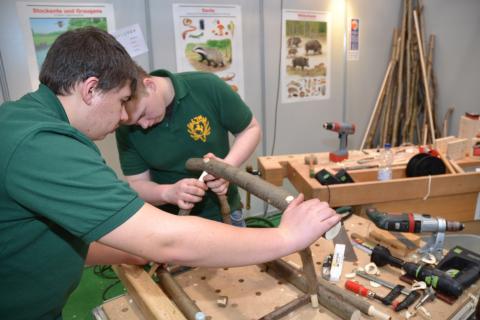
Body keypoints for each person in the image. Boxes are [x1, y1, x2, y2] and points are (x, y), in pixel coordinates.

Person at [0, 27, 340, 319]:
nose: (123, 117)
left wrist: (132, 249)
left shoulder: (28, 121)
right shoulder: (43, 145)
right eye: (121, 101)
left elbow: (49, 236)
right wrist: (286, 237)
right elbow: (168, 239)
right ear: (90, 89)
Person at [116, 66, 261, 226]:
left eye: (143, 114)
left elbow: (250, 129)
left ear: (150, 85)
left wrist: (226, 168)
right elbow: (137, 184)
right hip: (169, 221)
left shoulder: (207, 86)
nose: (143, 125)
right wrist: (167, 193)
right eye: (134, 123)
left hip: (224, 212)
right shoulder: (125, 124)